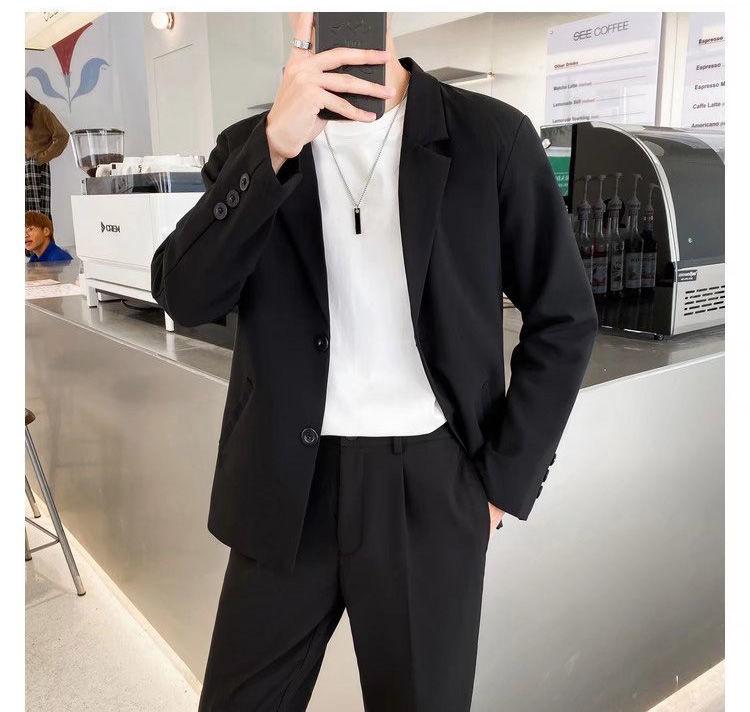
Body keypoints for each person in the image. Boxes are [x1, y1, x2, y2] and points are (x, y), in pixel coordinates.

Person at [151, 12, 598, 712]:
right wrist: (273, 148)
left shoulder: (490, 136)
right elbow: (184, 296)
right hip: (284, 483)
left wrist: (501, 483)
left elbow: (565, 316)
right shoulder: (248, 145)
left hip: (431, 485)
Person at [25, 91, 69, 217]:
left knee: (39, 215)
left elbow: (62, 136)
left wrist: (41, 158)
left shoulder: (41, 111)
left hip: (36, 170)